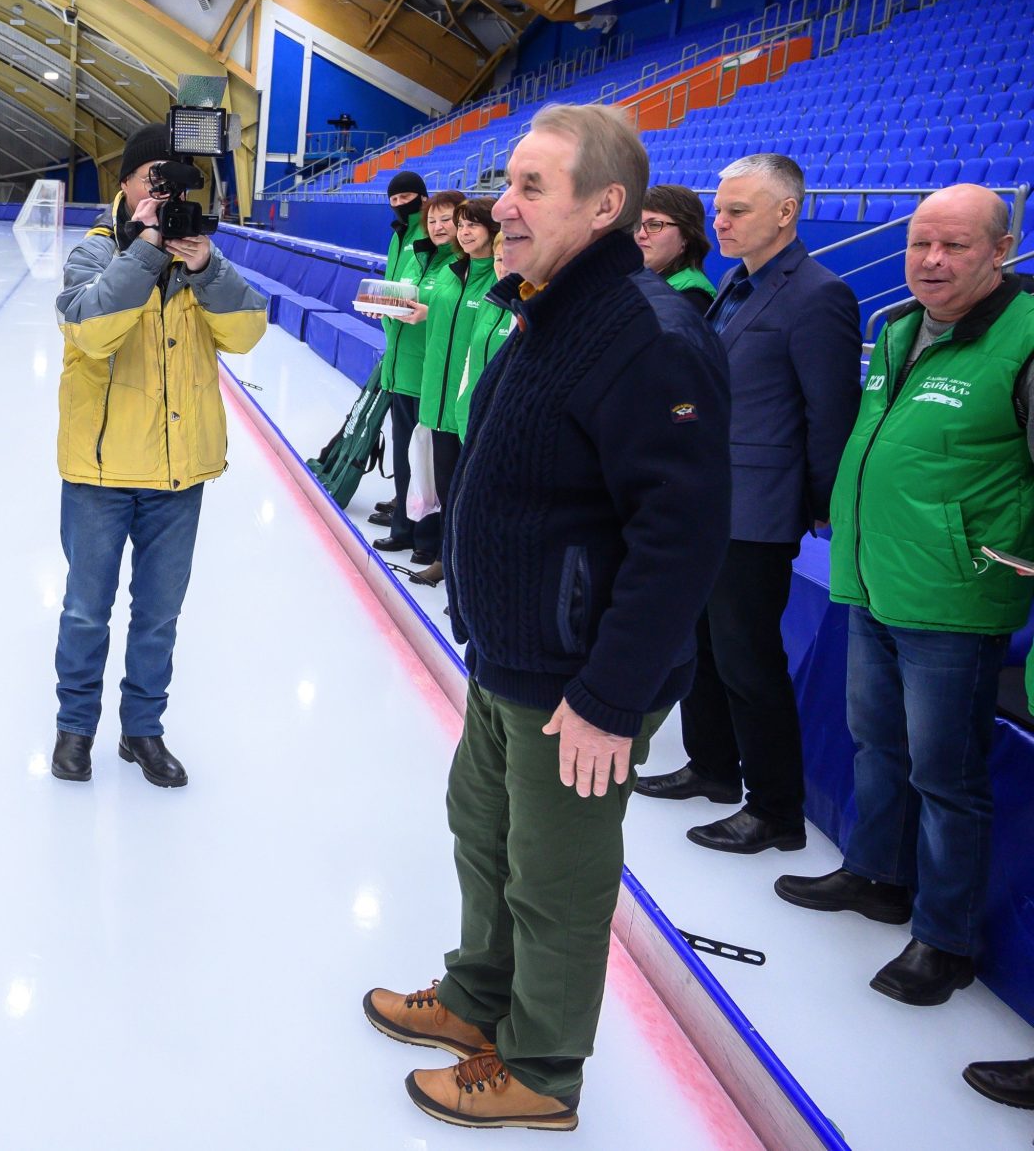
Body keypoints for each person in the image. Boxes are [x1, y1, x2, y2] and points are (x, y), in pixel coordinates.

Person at [364, 104, 730, 1131]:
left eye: (531, 187)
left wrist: (608, 697)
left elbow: (679, 540)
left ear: (604, 206)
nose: (502, 204)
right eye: (506, 181)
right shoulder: (542, 307)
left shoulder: (651, 339)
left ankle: (538, 1065)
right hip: (508, 655)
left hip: (578, 682)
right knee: (481, 833)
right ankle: (479, 997)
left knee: (555, 877)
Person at [777, 183, 1034, 1006]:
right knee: (875, 741)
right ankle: (877, 875)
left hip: (955, 600)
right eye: (920, 242)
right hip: (873, 577)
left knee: (946, 775)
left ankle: (944, 939)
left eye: (955, 245)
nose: (929, 259)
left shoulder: (1025, 341)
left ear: (1001, 250)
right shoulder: (895, 329)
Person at [636, 155, 860, 855]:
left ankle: (775, 808)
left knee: (748, 658)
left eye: (737, 211)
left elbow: (829, 413)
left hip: (759, 508)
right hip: (711, 497)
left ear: (786, 213)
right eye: (720, 209)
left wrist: (821, 504)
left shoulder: (818, 295)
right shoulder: (736, 283)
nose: (721, 222)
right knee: (701, 644)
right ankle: (712, 767)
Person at [50, 121, 268, 787]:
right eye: (156, 181)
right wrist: (144, 249)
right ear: (127, 185)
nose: (168, 195)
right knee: (88, 609)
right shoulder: (94, 254)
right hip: (101, 471)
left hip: (179, 473)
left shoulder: (198, 260)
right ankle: (75, 728)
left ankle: (142, 729)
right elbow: (90, 330)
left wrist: (205, 267)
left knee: (158, 615)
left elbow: (248, 330)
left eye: (178, 184)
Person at [403, 196, 499, 587]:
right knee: (445, 487)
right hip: (437, 398)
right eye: (461, 225)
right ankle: (446, 558)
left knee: (470, 496)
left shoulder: (499, 276)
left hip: (471, 407)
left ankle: (467, 571)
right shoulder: (450, 272)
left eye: (473, 224)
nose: (464, 231)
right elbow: (439, 313)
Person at [371, 179, 451, 565]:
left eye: (445, 220)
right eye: (394, 200)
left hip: (430, 375)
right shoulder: (405, 244)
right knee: (405, 455)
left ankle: (425, 538)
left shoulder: (455, 265)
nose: (436, 227)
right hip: (400, 365)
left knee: (429, 461)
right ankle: (404, 526)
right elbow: (394, 288)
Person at [455, 219, 519, 442]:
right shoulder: (489, 301)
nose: (504, 268)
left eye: (512, 260)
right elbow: (471, 360)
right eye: (499, 259)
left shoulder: (531, 312)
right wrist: (462, 403)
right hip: (471, 423)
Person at [636, 184, 717, 307]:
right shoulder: (638, 279)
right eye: (636, 224)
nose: (640, 234)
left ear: (687, 236)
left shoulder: (692, 297)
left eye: (655, 225)